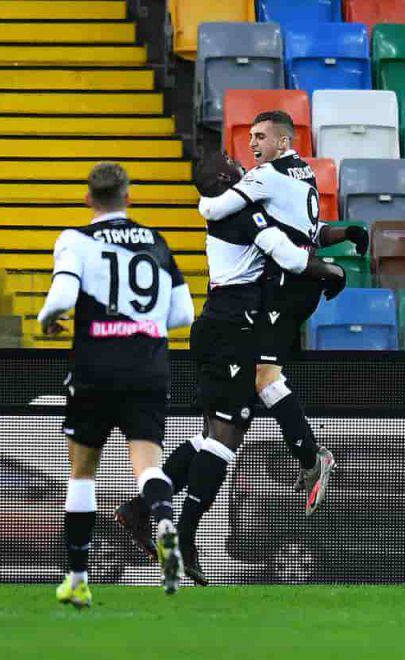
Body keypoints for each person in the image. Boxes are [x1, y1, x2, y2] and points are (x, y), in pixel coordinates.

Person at [116, 152, 347, 586]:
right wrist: (331, 270)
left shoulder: (228, 211)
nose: (242, 164)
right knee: (226, 435)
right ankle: (184, 536)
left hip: (219, 326)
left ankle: (138, 511)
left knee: (209, 435)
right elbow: (291, 259)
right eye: (231, 162)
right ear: (226, 177)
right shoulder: (243, 215)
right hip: (231, 329)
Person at [40, 162, 195, 608]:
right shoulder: (157, 242)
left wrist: (49, 319)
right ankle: (164, 519)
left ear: (88, 199)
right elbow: (183, 314)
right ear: (129, 197)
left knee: (82, 474)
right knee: (147, 465)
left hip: (95, 368)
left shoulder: (76, 239)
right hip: (148, 367)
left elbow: (64, 297)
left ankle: (78, 579)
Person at [199, 111, 369, 515]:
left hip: (286, 284)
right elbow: (308, 230)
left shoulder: (267, 174)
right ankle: (307, 455)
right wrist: (345, 234)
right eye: (251, 137)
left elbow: (213, 209)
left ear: (283, 142)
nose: (252, 144)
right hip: (300, 284)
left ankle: (313, 458)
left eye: (260, 137)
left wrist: (208, 192)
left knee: (264, 376)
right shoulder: (304, 173)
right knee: (265, 376)